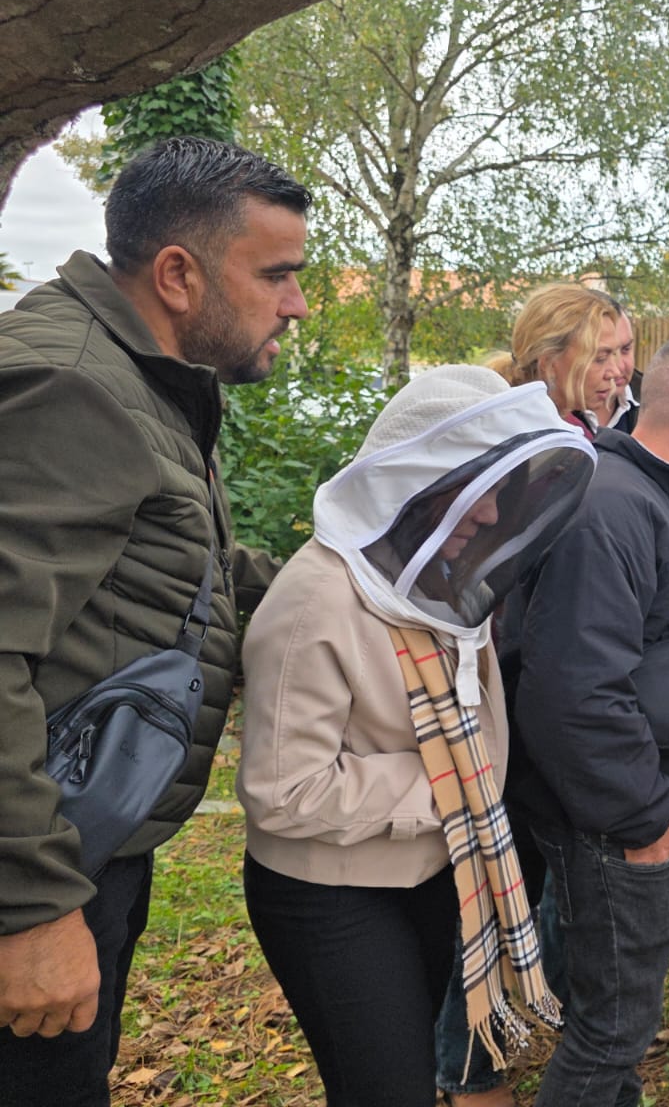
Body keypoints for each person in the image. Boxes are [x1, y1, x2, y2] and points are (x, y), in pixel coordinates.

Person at [0, 137, 303, 1106]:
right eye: (276, 275)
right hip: (43, 866)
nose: (295, 303)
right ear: (178, 273)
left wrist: (355, 580)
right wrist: (32, 910)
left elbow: (181, 571)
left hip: (87, 844)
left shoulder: (141, 375)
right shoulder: (71, 385)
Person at [238, 366, 593, 1107]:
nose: (493, 513)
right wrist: (453, 785)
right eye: (475, 487)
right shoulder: (314, 602)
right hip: (329, 897)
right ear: (416, 480)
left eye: (501, 487)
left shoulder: (437, 580)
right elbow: (284, 791)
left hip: (431, 875)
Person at [507, 335, 669, 1106]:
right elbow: (572, 691)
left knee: (624, 1022)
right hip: (625, 823)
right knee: (610, 1029)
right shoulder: (610, 507)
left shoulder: (664, 492)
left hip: (652, 802)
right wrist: (645, 819)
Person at [487, 281, 625, 439]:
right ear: (548, 363)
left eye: (614, 355)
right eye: (600, 358)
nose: (615, 371)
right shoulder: (507, 435)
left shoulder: (573, 428)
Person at [606, 301, 641, 432]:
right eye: (604, 355)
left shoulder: (655, 406)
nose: (618, 367)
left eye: (626, 349)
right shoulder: (553, 414)